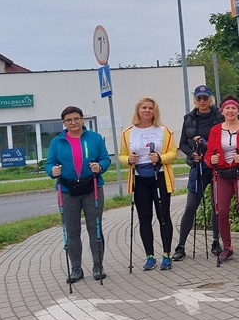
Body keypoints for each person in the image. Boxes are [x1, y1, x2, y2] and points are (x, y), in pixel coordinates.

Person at [45, 106, 112, 283]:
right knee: (72, 231)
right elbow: (49, 163)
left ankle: (98, 265)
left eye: (76, 119)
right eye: (69, 120)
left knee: (94, 228)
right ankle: (76, 268)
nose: (73, 122)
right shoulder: (57, 142)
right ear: (64, 123)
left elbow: (105, 158)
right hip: (67, 190)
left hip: (92, 188)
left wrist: (101, 167)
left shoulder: (95, 138)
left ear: (83, 119)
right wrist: (52, 170)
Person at [119, 97, 178, 272]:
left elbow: (173, 153)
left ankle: (166, 255)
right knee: (144, 219)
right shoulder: (128, 132)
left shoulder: (163, 130)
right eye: (144, 108)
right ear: (138, 110)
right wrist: (128, 160)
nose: (147, 111)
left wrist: (160, 158)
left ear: (155, 111)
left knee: (164, 217)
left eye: (150, 108)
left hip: (159, 177)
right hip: (140, 179)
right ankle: (149, 256)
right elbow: (121, 155)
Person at [205, 96, 239, 264]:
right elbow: (209, 154)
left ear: (238, 111)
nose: (230, 111)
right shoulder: (215, 130)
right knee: (221, 210)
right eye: (227, 108)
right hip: (222, 173)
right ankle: (227, 247)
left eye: (233, 108)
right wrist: (211, 160)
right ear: (222, 111)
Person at [175, 85, 224, 260]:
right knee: (190, 207)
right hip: (198, 167)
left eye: (205, 98)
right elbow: (182, 143)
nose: (202, 101)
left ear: (211, 99)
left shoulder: (220, 116)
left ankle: (216, 242)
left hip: (216, 166)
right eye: (199, 98)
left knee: (216, 207)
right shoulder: (188, 118)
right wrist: (191, 154)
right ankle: (180, 246)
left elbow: (224, 141)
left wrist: (207, 144)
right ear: (195, 100)